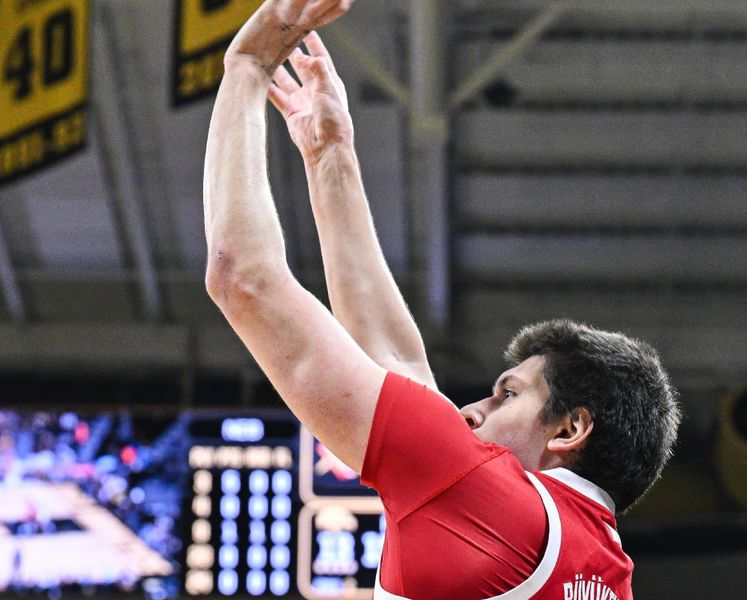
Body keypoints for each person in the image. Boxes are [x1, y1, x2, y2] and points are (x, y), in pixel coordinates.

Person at [204, 2, 681, 598]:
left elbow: (242, 277)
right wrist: (331, 159)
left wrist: (246, 67)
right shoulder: (597, 564)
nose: (469, 411)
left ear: (568, 430)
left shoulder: (495, 507)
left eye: (508, 394)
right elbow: (399, 370)